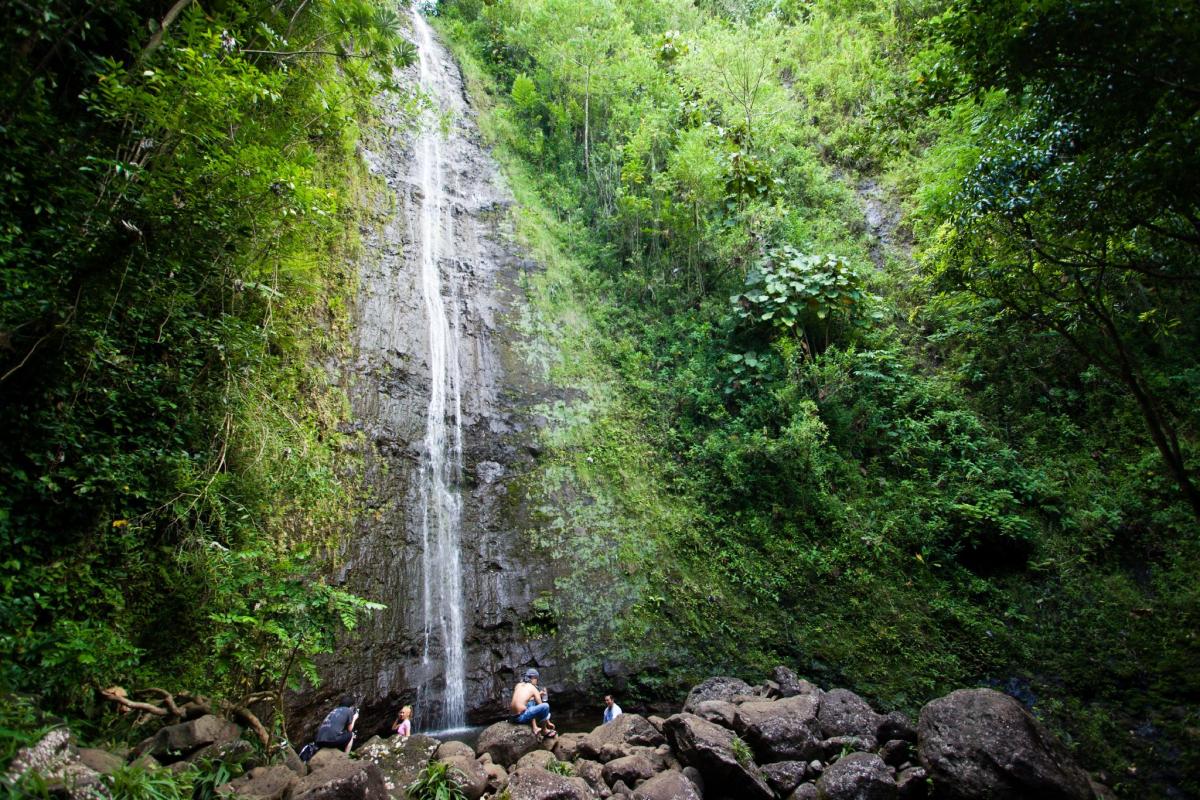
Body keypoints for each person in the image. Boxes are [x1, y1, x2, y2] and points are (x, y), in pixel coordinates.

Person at [509, 668, 557, 739]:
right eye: (537, 679)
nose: (537, 682)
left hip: (512, 717)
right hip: (520, 718)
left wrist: (537, 694)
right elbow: (542, 706)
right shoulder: (533, 688)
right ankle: (544, 730)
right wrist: (548, 722)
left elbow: (524, 698)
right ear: (533, 678)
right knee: (546, 706)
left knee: (531, 701)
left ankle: (535, 727)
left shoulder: (518, 685)